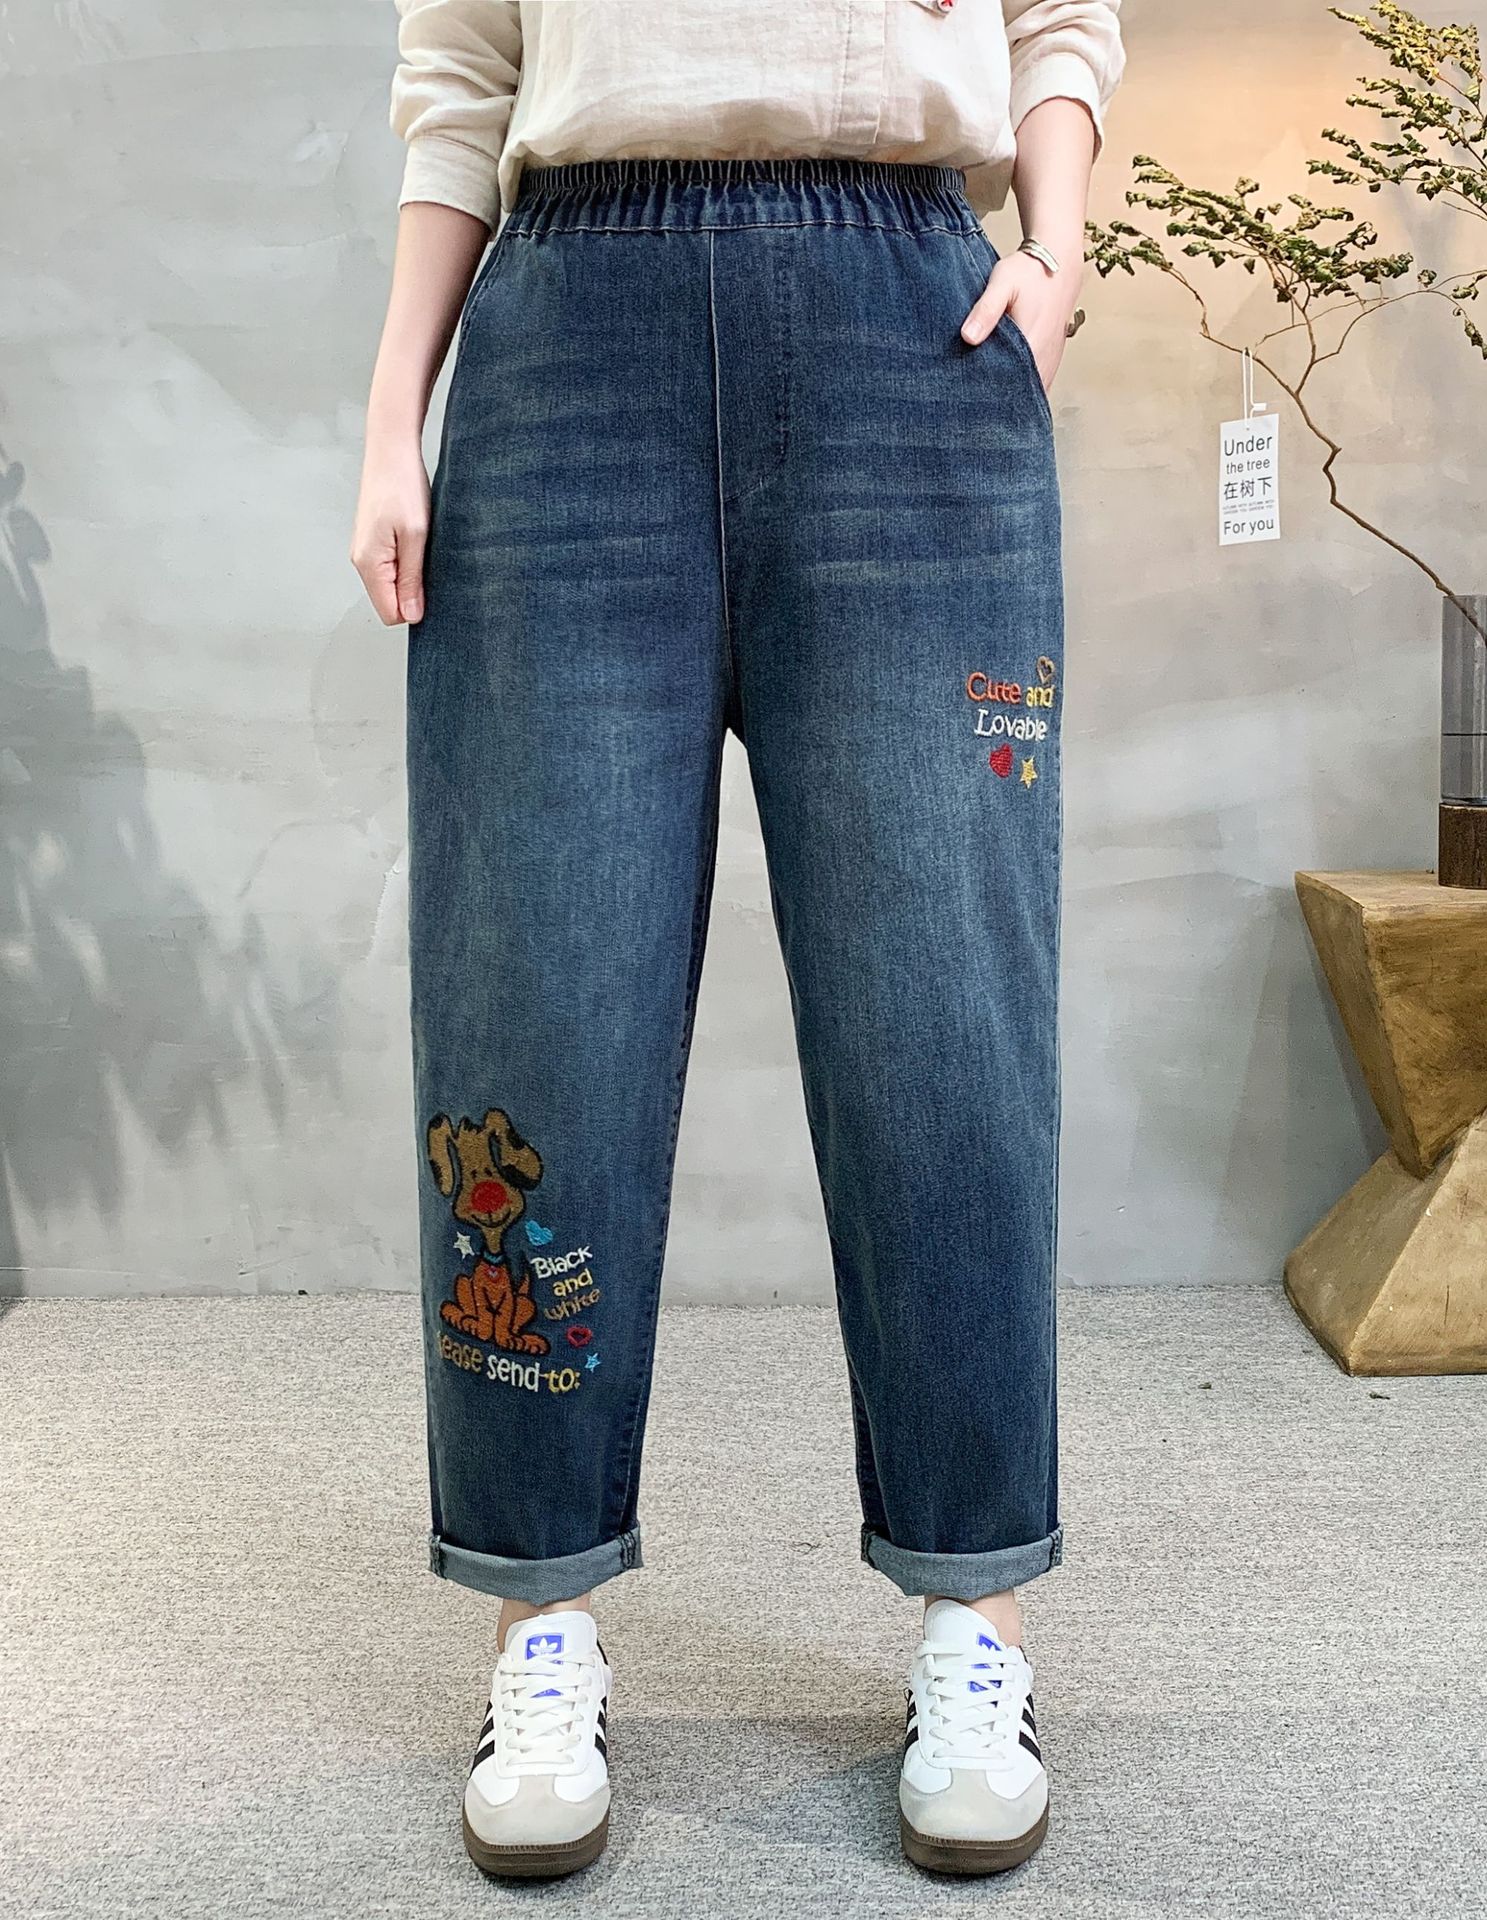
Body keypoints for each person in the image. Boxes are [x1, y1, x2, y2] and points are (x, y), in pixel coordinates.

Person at [352, 0, 1124, 1882]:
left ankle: (977, 1613)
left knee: (945, 1010)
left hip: (913, 340)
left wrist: (1054, 253)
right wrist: (390, 418)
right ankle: (538, 1610)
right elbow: (460, 79)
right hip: (566, 347)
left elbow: (1061, 20)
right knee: (535, 1004)